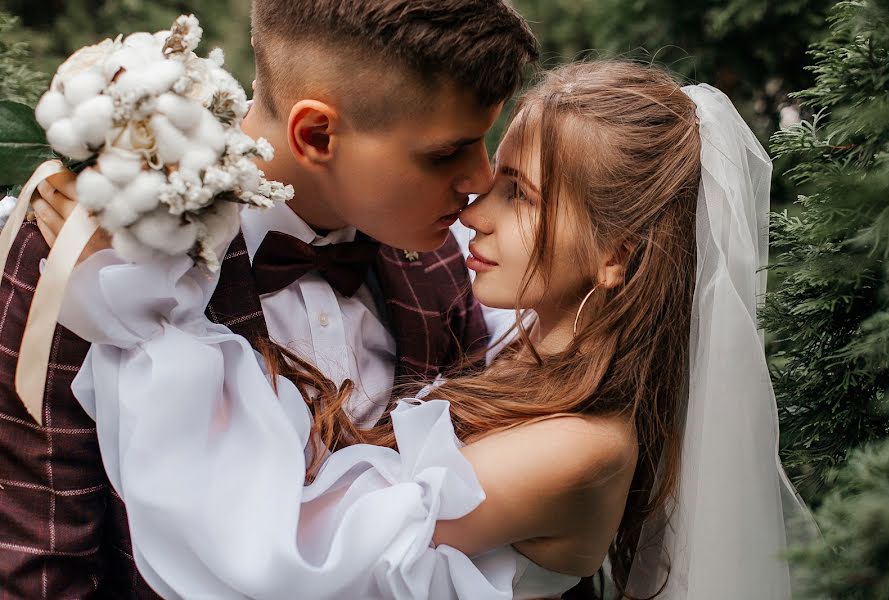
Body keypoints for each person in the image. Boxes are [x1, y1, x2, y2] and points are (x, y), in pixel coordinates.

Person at [38, 60, 814, 599]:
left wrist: (142, 314)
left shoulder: (582, 449)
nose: (474, 210)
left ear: (617, 257)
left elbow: (293, 554)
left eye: (520, 194)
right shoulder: (515, 344)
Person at [0, 1, 538, 597]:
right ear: (316, 134)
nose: (481, 179)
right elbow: (42, 562)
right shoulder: (101, 253)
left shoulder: (446, 261)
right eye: (445, 153)